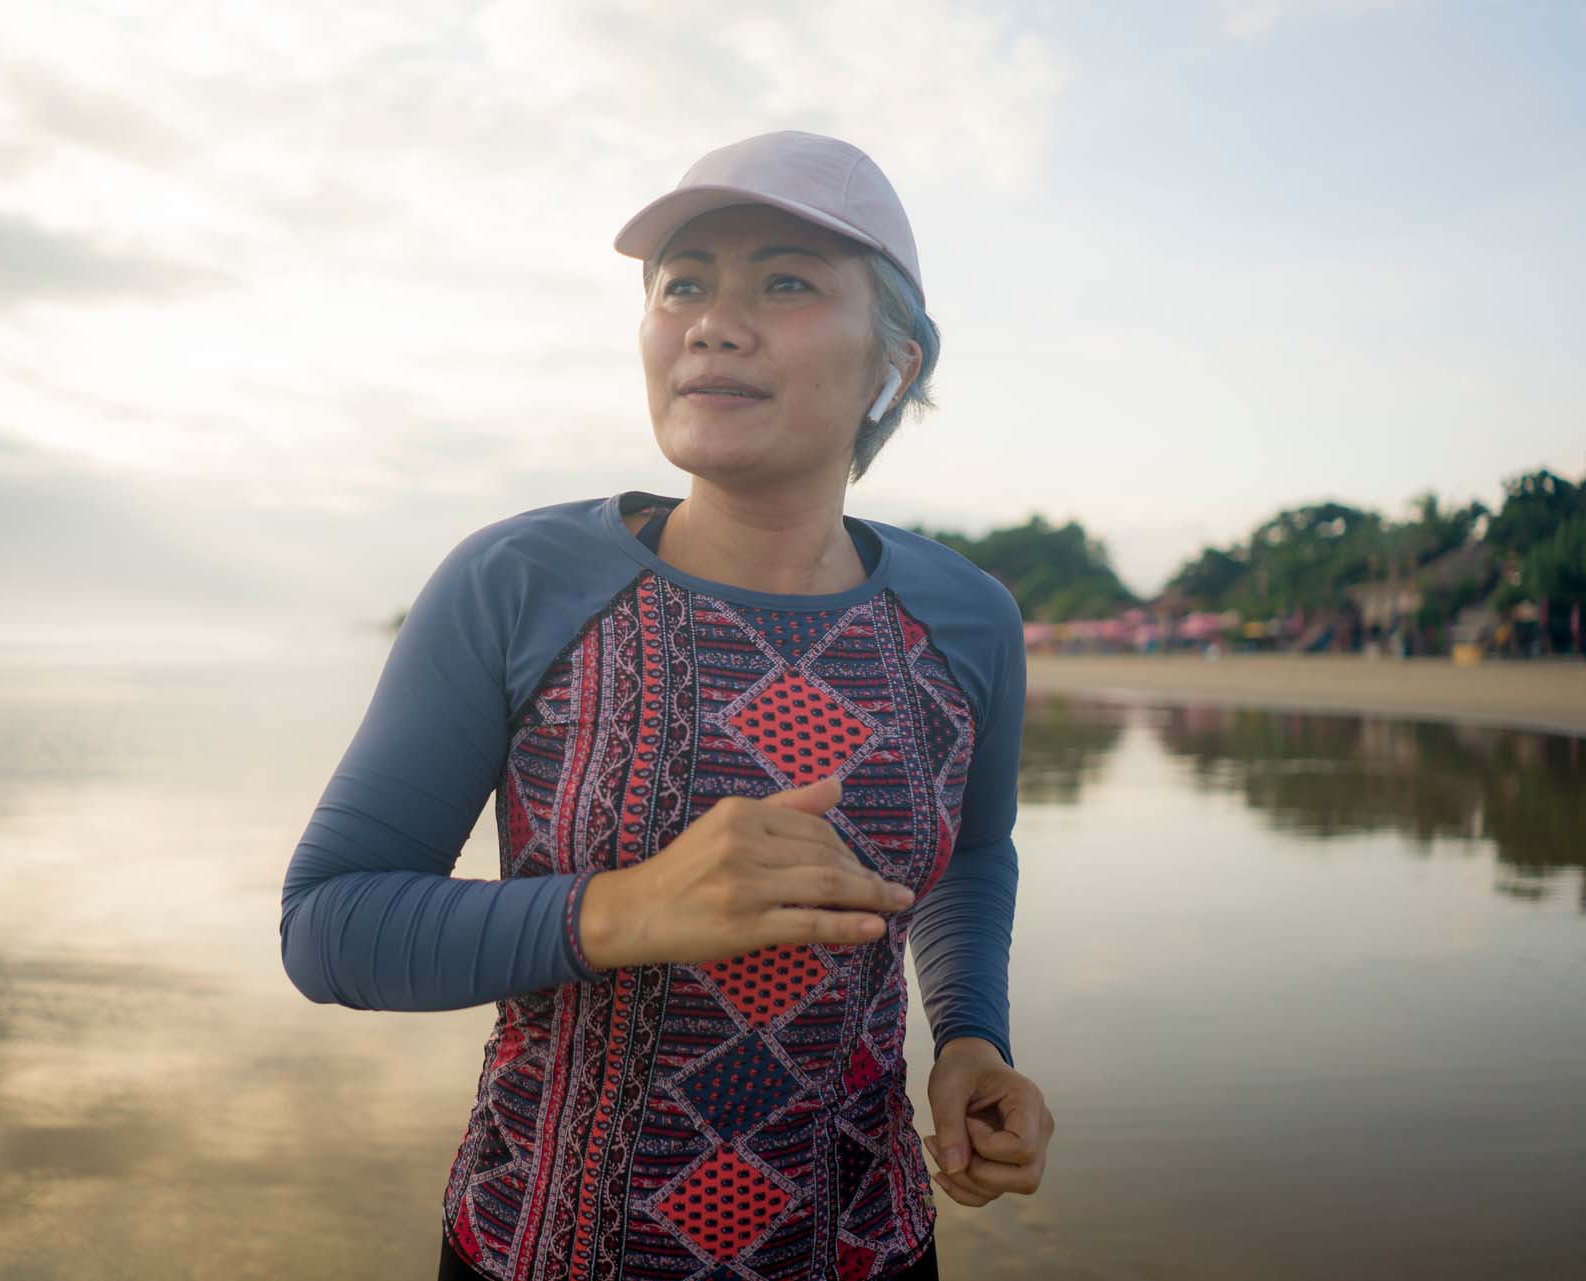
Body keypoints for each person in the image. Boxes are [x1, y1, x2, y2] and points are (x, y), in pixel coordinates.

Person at [280, 130, 1053, 1281]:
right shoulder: (519, 581)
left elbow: (975, 854)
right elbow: (329, 924)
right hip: (544, 1252)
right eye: (682, 284)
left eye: (785, 281)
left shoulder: (967, 617)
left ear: (896, 361)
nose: (712, 320)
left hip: (870, 1248)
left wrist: (972, 1037)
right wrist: (626, 910)